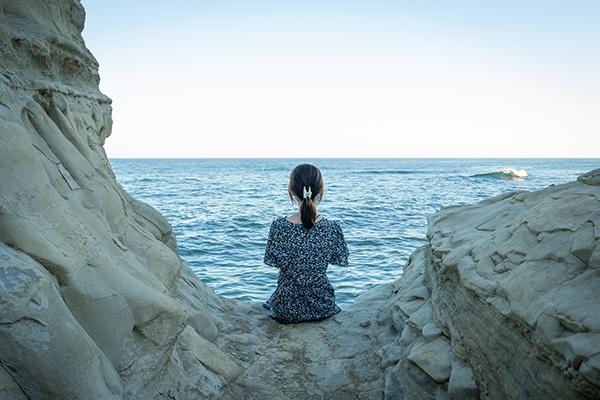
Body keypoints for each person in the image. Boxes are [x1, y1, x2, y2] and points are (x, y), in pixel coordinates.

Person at [263, 164, 349, 323]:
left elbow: (272, 261)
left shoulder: (279, 226)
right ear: (321, 189)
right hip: (322, 305)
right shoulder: (332, 227)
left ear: (291, 191)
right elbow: (340, 259)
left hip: (285, 308)